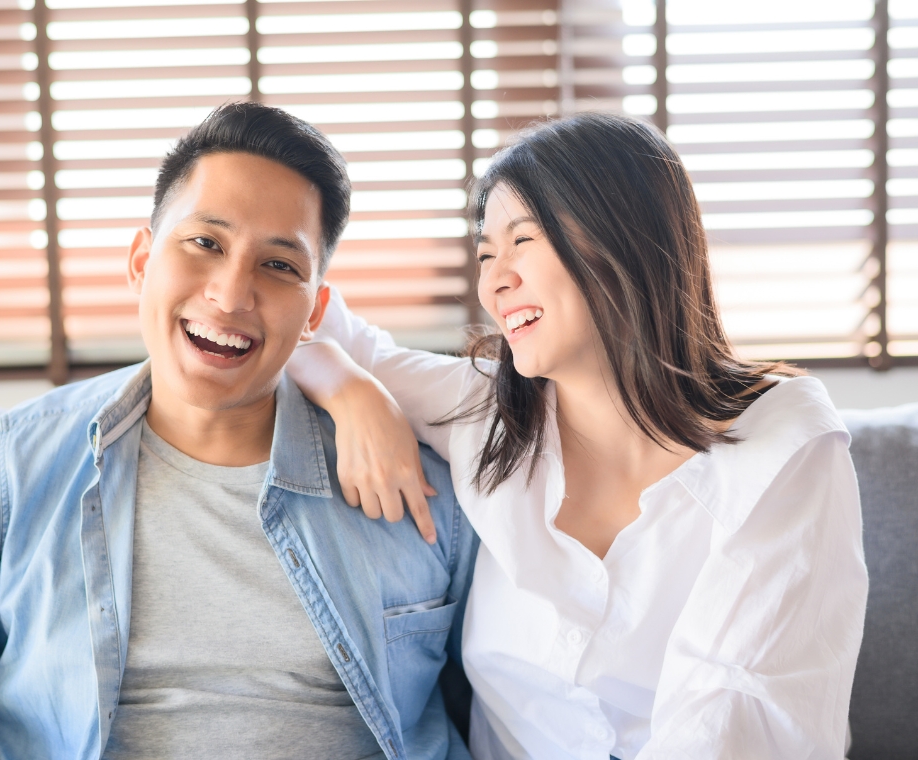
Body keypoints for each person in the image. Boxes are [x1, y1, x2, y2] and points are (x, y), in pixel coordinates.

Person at [0, 102, 479, 760]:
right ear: (140, 262)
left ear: (315, 313)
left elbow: (519, 706)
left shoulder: (419, 487)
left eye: (279, 265)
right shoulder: (14, 468)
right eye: (204, 243)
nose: (231, 293)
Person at [287, 112, 868, 759]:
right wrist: (349, 388)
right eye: (486, 253)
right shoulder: (485, 412)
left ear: (620, 236)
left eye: (523, 241)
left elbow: (731, 717)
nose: (495, 279)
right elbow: (288, 317)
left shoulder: (783, 445)